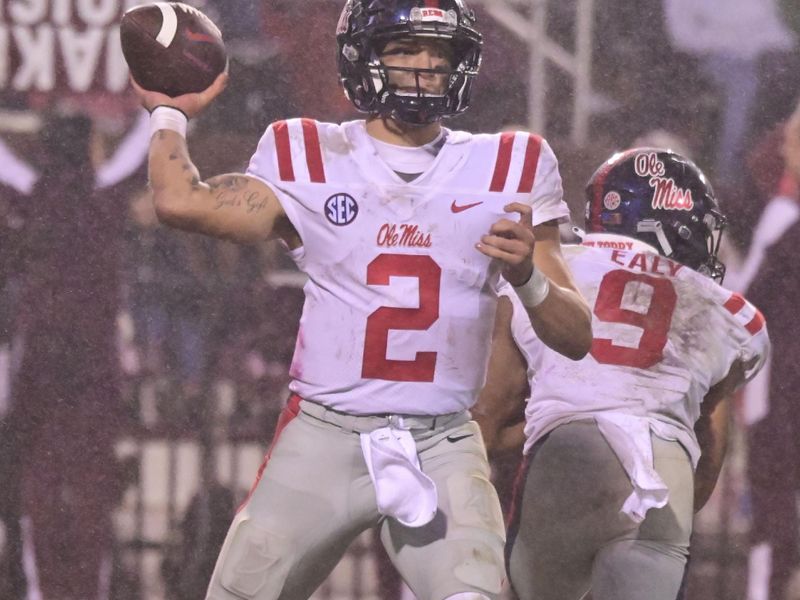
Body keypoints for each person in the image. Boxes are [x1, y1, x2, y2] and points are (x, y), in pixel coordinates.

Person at [132, 1, 592, 598]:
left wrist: (528, 276)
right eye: (404, 49)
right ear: (364, 57)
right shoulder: (307, 153)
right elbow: (179, 203)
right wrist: (169, 112)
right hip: (324, 434)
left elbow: (577, 335)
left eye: (439, 51)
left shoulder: (510, 165)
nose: (425, 65)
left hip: (442, 441)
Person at [474, 148, 770, 600]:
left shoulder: (550, 269)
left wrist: (560, 417)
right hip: (662, 471)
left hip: (564, 463)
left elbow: (487, 426)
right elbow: (708, 455)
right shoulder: (727, 311)